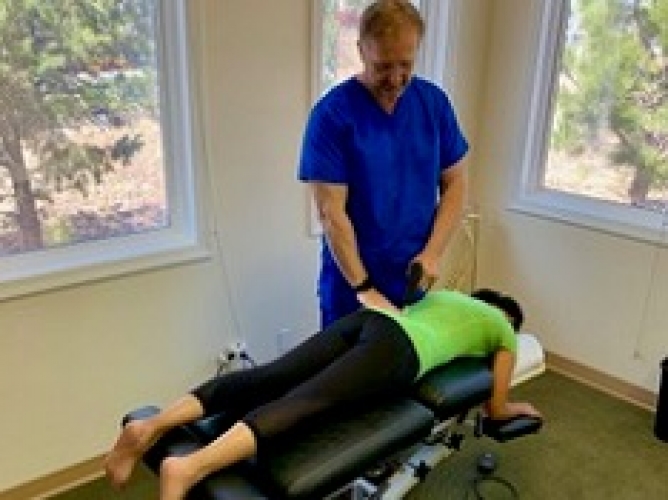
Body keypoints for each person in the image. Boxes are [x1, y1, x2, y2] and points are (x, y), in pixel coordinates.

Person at [105, 289, 540, 500]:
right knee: (305, 402)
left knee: (270, 376)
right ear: (508, 319)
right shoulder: (502, 330)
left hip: (372, 321)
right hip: (402, 353)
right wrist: (516, 406)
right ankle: (188, 467)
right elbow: (497, 404)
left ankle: (151, 425)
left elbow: (400, 315)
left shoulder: (444, 297)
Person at [298, 0, 469, 327]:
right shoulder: (331, 116)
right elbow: (331, 213)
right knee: (349, 361)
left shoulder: (434, 105)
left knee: (408, 359)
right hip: (351, 290)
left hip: (411, 284)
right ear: (362, 51)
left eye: (406, 64)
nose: (396, 78)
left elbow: (456, 183)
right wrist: (365, 289)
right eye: (383, 66)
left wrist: (432, 253)